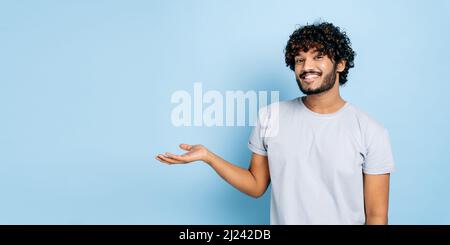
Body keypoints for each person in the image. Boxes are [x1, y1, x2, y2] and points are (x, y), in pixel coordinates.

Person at [156, 22, 395, 225]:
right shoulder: (270, 117)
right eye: (299, 60)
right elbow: (256, 185)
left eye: (318, 57)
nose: (306, 67)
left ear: (340, 64)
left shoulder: (370, 131)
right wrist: (208, 156)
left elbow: (376, 216)